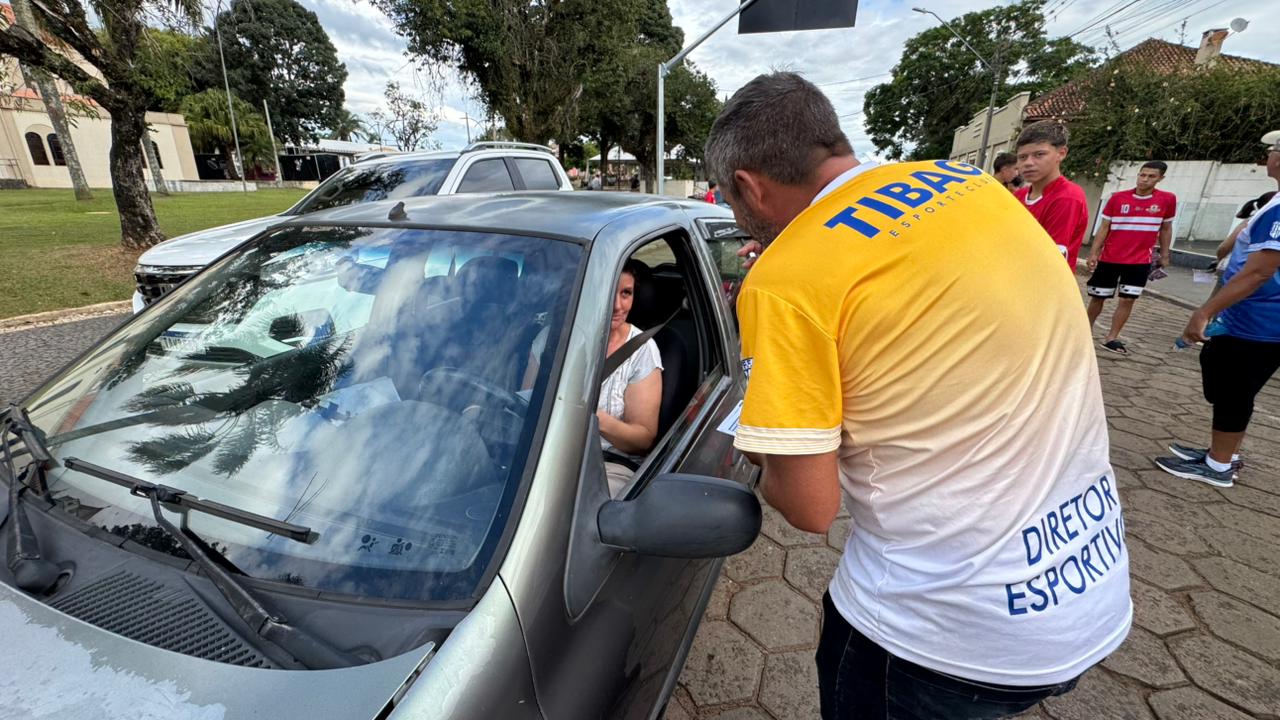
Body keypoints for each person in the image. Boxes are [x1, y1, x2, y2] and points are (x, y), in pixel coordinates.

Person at [706, 72, 1129, 720]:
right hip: (1086, 588)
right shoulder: (976, 188)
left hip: (936, 634)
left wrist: (760, 450)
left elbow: (811, 507)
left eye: (733, 207)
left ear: (747, 186)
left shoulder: (789, 279)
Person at [1154, 130, 1280, 487]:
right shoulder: (1273, 202)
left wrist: (1204, 311)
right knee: (1234, 387)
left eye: (1272, 150)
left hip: (1258, 320)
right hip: (1256, 317)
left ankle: (1219, 465)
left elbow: (1259, 271)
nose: (1268, 155)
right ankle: (1221, 453)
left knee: (1233, 389)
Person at [1084, 161, 1177, 354]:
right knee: (1097, 297)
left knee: (1127, 300)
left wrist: (1165, 254)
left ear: (1160, 178)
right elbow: (1104, 227)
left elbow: (1166, 229)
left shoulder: (1167, 200)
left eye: (1151, 176)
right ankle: (1085, 332)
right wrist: (1094, 252)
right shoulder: (1117, 198)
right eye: (1142, 175)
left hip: (1139, 261)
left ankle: (1112, 337)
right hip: (1110, 258)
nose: (1145, 179)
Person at [1014, 121, 1090, 269]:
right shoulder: (1019, 196)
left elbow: (1049, 258)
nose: (1028, 163)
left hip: (1044, 284)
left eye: (1039, 154)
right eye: (1022, 157)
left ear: (1061, 153)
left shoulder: (1067, 197)